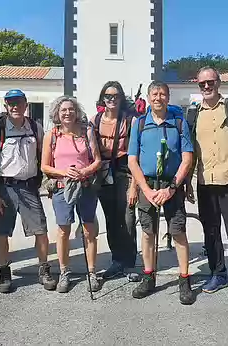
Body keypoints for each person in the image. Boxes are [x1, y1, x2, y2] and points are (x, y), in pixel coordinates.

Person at [186, 66, 228, 299]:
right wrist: (187, 182)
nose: (206, 86)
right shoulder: (193, 114)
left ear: (218, 83)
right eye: (202, 83)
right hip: (205, 182)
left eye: (210, 82)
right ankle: (218, 273)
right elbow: (191, 152)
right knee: (211, 231)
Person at [127, 80, 195, 305]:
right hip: (147, 184)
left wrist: (172, 188)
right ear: (148, 97)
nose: (158, 98)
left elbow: (187, 159)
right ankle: (149, 276)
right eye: (154, 94)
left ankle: (184, 280)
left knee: (178, 232)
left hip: (171, 186)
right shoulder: (138, 124)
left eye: (163, 94)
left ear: (168, 97)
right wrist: (145, 189)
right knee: (148, 233)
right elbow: (132, 161)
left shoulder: (178, 122)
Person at [0, 89, 56, 294]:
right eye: (10, 103)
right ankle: (4, 272)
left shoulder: (35, 128)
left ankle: (44, 269)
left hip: (28, 187)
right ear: (6, 106)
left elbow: (46, 156)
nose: (15, 106)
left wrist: (50, 181)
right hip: (4, 188)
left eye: (18, 102)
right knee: (2, 232)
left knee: (41, 230)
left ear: (26, 104)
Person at [41, 96, 102, 293]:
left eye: (71, 109)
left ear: (77, 112)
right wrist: (64, 172)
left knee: (88, 230)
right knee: (63, 231)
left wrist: (84, 172)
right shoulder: (52, 135)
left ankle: (92, 272)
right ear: (57, 114)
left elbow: (97, 160)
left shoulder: (87, 132)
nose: (67, 113)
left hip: (85, 187)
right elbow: (44, 166)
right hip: (61, 188)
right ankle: (64, 272)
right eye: (63, 110)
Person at [90, 81, 140, 282]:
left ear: (121, 98)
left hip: (125, 171)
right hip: (104, 174)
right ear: (103, 98)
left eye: (115, 96)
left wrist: (135, 186)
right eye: (108, 96)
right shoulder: (96, 120)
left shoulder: (131, 121)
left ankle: (129, 263)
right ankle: (117, 260)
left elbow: (136, 154)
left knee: (128, 218)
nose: (112, 99)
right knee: (111, 219)